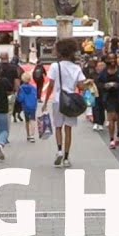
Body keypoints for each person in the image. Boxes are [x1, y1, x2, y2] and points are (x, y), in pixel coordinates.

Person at [41, 37, 87, 168]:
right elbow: (81, 86)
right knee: (68, 129)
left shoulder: (55, 66)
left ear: (60, 52)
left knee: (58, 127)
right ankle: (66, 157)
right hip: (71, 100)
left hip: (58, 100)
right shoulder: (76, 67)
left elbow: (50, 85)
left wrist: (45, 101)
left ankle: (59, 150)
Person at [96, 53, 119, 149]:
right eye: (110, 59)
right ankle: (111, 139)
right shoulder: (104, 72)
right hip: (108, 97)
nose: (112, 61)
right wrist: (104, 86)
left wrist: (117, 85)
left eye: (113, 59)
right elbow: (98, 82)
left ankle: (118, 135)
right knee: (111, 117)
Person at [17, 76, 39, 143]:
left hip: (25, 106)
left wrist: (18, 96)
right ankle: (32, 135)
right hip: (33, 106)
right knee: (33, 119)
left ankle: (28, 135)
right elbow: (36, 96)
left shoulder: (21, 88)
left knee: (27, 121)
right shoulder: (33, 88)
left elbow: (20, 99)